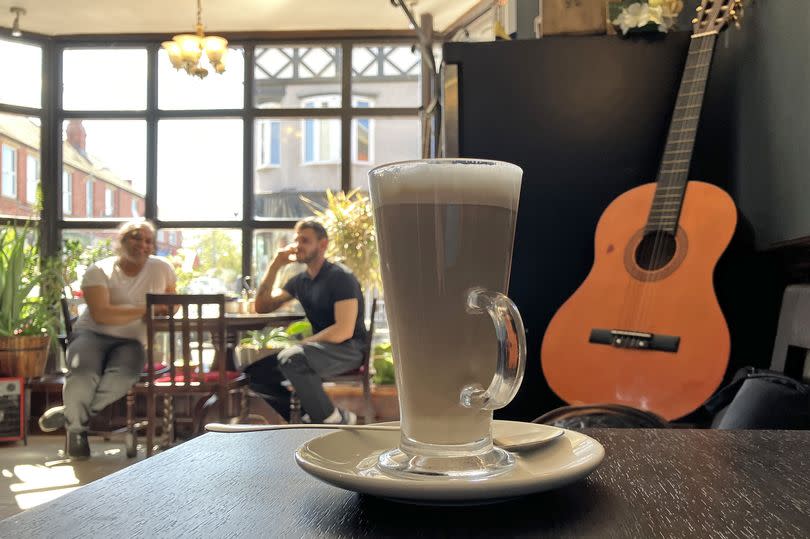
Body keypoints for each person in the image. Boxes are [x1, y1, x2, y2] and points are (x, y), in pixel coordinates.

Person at [39, 219, 177, 458]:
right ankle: (77, 434)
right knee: (82, 375)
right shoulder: (99, 270)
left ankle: (71, 416)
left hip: (132, 342)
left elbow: (170, 306)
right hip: (91, 335)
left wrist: (156, 308)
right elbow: (102, 314)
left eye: (148, 240)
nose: (142, 244)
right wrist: (147, 308)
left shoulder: (162, 268)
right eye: (135, 237)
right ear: (121, 241)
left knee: (123, 377)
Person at [249, 218, 366, 424]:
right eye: (296, 240)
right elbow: (262, 306)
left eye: (305, 240)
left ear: (323, 244)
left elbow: (344, 330)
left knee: (293, 358)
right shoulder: (300, 281)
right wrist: (276, 264)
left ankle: (331, 422)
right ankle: (317, 415)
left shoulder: (341, 278)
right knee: (254, 375)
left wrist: (304, 344)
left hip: (350, 350)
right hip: (319, 349)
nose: (297, 246)